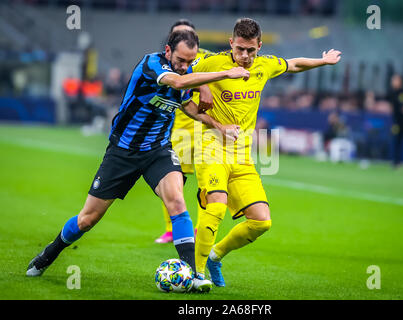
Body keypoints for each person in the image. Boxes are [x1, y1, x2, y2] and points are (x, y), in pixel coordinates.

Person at [26, 30, 249, 293]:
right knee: (87, 219)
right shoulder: (152, 64)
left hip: (158, 150)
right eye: (180, 60)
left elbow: (187, 105)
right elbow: (177, 83)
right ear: (168, 51)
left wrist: (219, 126)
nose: (185, 66)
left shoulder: (184, 73)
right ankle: (49, 254)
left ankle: (192, 273)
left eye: (190, 62)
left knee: (177, 200)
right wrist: (226, 74)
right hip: (122, 152)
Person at [192, 18, 341, 287]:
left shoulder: (265, 65)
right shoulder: (212, 63)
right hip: (210, 149)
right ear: (231, 44)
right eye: (240, 49)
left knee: (261, 222)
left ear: (260, 46)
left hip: (242, 156)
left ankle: (215, 256)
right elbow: (183, 80)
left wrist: (324, 61)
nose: (245, 56)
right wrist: (204, 90)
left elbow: (293, 64)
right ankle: (197, 274)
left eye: (251, 50)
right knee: (215, 205)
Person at [155, 19, 214, 244]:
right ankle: (171, 228)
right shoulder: (163, 62)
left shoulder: (208, 58)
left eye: (188, 34)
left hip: (203, 128)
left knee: (206, 181)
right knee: (172, 180)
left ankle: (200, 228)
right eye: (178, 35)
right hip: (177, 127)